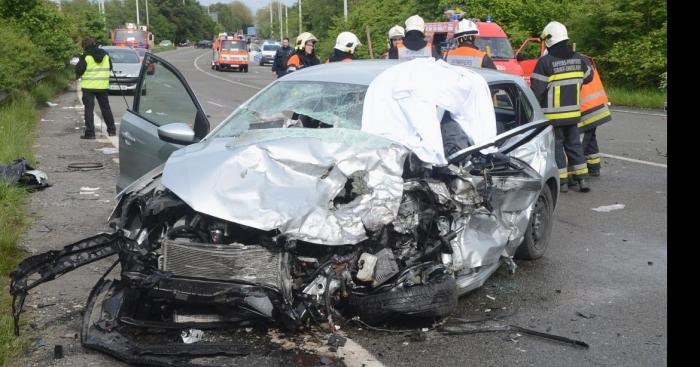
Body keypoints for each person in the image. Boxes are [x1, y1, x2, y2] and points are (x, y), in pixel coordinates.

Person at [530, 21, 593, 192]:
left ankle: (563, 182)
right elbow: (589, 77)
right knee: (574, 145)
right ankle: (583, 180)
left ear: (549, 40)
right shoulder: (580, 59)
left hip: (553, 117)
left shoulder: (545, 62)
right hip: (573, 114)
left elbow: (536, 91)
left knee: (557, 147)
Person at [577, 57, 612, 177]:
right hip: (598, 106)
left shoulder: (573, 63)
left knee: (579, 143)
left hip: (586, 109)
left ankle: (578, 173)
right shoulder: (584, 59)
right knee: (590, 137)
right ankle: (594, 166)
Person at [75, 37, 117, 139]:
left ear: (84, 46)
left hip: (88, 87)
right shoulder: (105, 54)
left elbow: (79, 70)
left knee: (89, 110)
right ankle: (111, 130)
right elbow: (110, 67)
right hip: (102, 86)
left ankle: (90, 133)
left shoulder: (85, 56)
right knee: (106, 108)